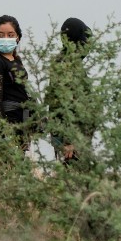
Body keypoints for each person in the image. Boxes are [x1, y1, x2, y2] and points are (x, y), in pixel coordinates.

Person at [44, 18, 96, 163]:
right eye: (86, 39)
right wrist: (68, 142)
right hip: (71, 143)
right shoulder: (66, 66)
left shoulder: (68, 63)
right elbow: (63, 106)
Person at [0, 15, 31, 163]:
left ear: (18, 37)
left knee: (20, 171)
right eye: (1, 35)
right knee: (8, 171)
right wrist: (4, 132)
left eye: (10, 35)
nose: (6, 38)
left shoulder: (16, 60)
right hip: (7, 122)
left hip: (22, 120)